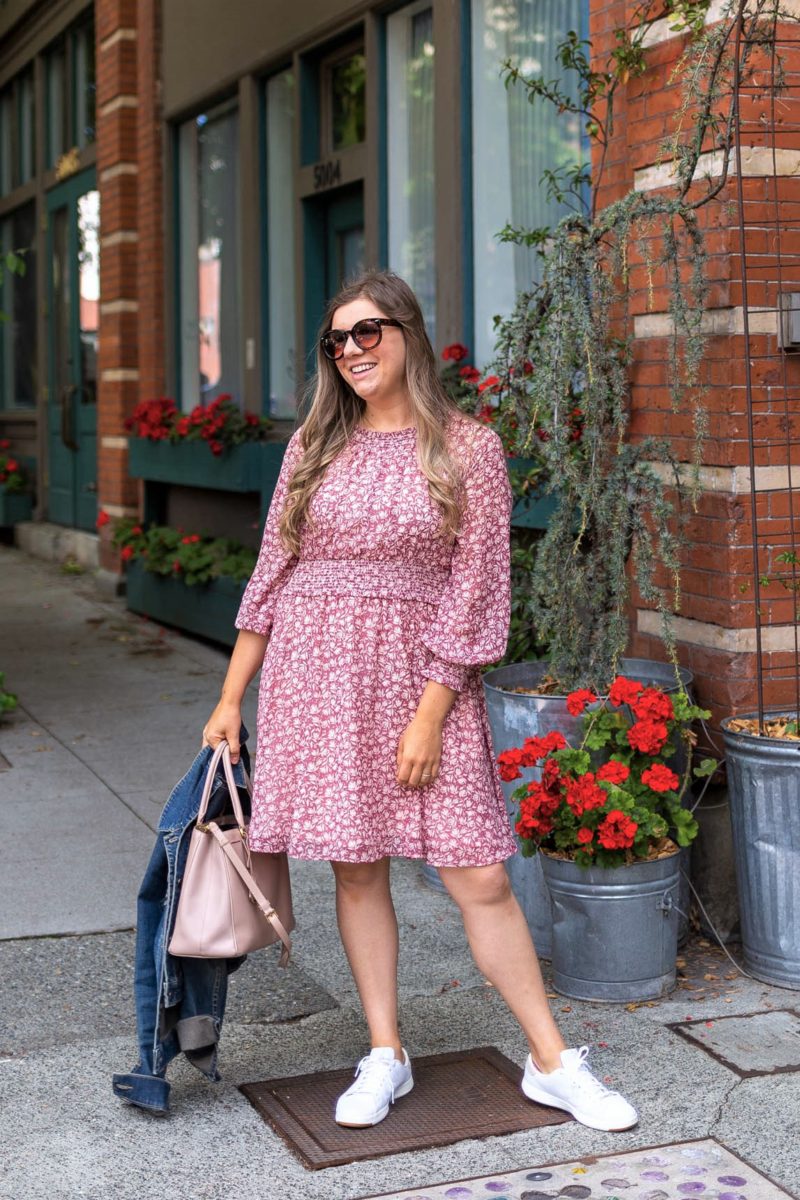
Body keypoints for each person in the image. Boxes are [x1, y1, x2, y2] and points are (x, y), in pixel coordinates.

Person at [202, 269, 637, 1133]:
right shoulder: (313, 447)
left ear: (407, 333)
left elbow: (477, 592)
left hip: (419, 682)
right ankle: (385, 1051)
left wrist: (432, 710)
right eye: (338, 340)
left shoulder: (466, 447)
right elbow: (270, 578)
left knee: (477, 872)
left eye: (370, 332)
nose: (354, 351)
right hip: (315, 679)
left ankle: (552, 1062)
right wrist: (228, 699)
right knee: (357, 869)